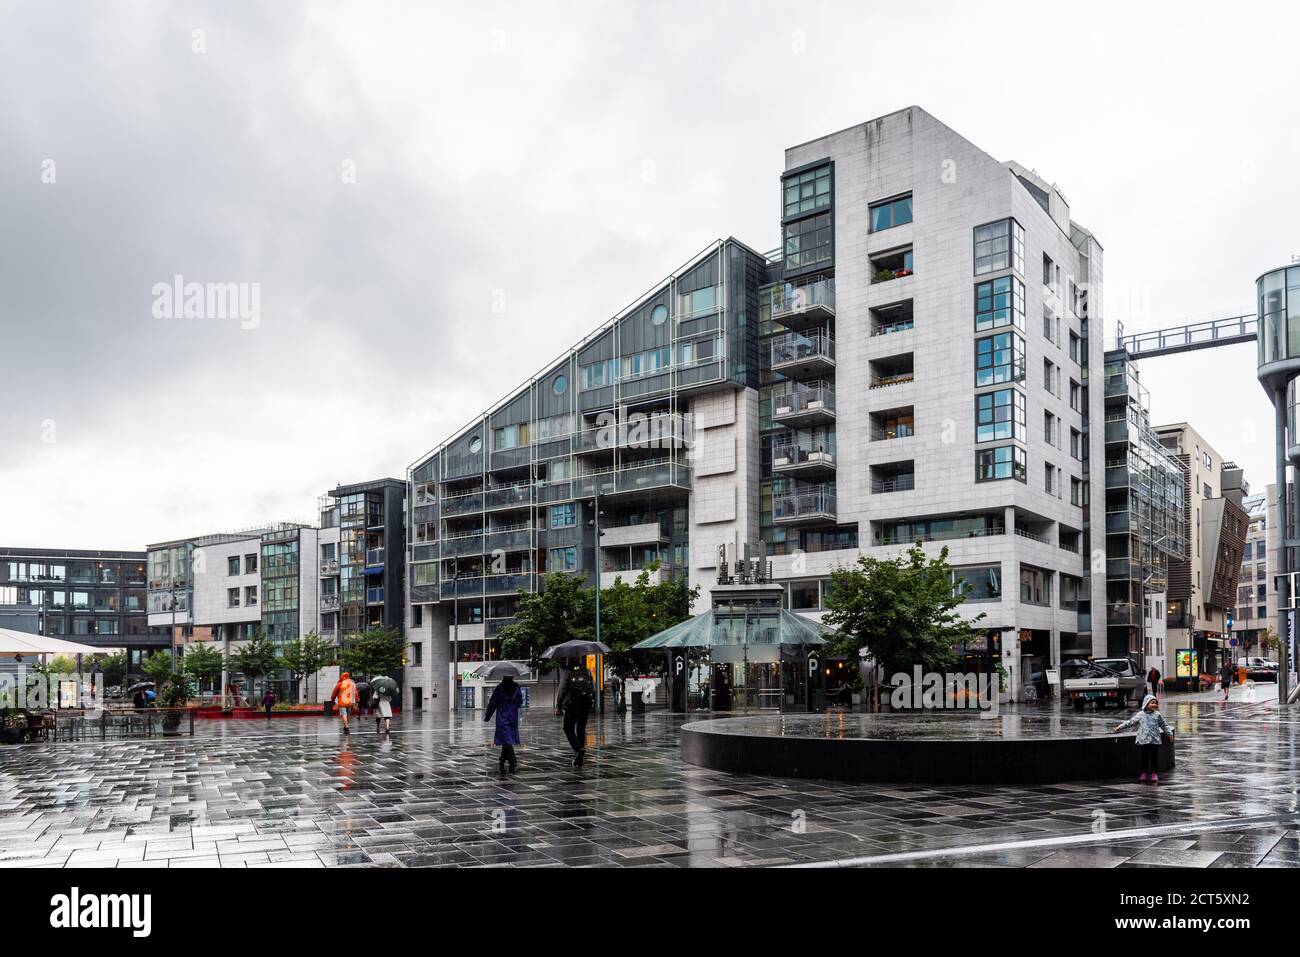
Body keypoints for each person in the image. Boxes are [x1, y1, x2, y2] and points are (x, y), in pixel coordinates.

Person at [1113, 693, 1175, 784]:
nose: (1155, 705)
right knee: (1144, 758)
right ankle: (1144, 773)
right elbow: (1131, 722)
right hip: (1143, 740)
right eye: (1152, 703)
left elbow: (1164, 725)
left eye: (1155, 703)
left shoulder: (1157, 715)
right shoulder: (1141, 714)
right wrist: (1120, 727)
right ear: (1146, 704)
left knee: (1154, 758)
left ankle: (1154, 774)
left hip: (1154, 740)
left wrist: (1169, 734)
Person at [556, 663, 595, 767]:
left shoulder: (567, 671)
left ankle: (578, 749)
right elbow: (593, 687)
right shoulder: (586, 671)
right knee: (581, 730)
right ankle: (580, 759)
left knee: (568, 728)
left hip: (572, 705)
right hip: (585, 704)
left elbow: (562, 689)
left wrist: (559, 704)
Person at [484, 675, 523, 773]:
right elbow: (520, 701)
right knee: (507, 738)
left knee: (506, 739)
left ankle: (512, 760)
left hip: (502, 716)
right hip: (513, 716)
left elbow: (493, 703)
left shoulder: (499, 688)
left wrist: (488, 716)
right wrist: (513, 706)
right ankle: (502, 760)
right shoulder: (517, 687)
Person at [330, 671, 358, 736]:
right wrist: (356, 701)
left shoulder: (340, 684)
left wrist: (332, 700)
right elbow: (356, 693)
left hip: (342, 702)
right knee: (348, 714)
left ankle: (347, 727)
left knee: (343, 714)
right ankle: (345, 727)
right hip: (350, 702)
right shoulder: (352, 684)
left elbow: (334, 693)